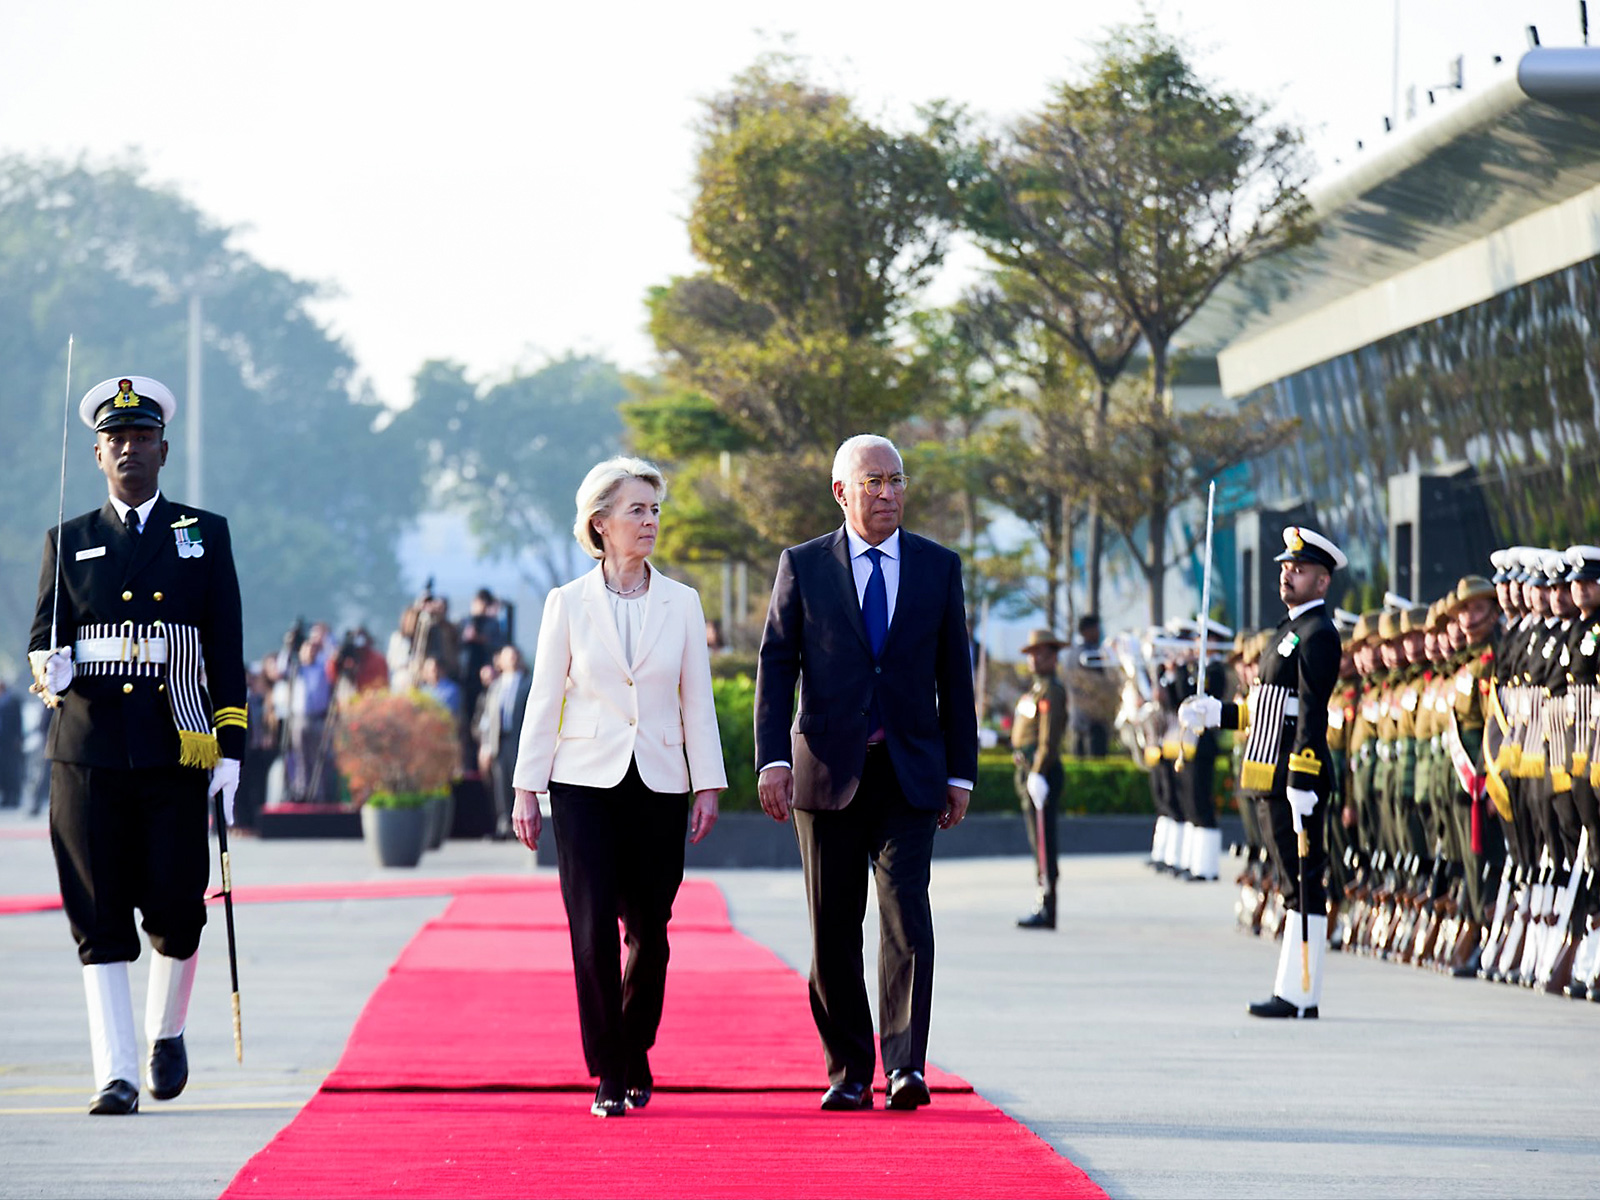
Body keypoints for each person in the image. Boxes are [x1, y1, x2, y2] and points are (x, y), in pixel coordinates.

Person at [26, 375, 245, 1114]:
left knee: (178, 907)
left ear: (163, 449)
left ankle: (165, 1032)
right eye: (115, 439)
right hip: (87, 749)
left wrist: (231, 750)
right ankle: (115, 1072)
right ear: (97, 455)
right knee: (98, 912)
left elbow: (225, 647)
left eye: (142, 437)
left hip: (175, 745)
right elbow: (42, 638)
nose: (129, 448)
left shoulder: (201, 534)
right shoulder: (69, 539)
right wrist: (49, 667)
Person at [754, 434, 978, 1112]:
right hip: (826, 773)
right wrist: (772, 759)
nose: (887, 493)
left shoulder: (938, 567)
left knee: (907, 916)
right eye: (873, 481)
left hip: (910, 773)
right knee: (833, 925)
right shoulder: (803, 565)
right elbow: (776, 665)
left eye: (896, 480)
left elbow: (956, 676)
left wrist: (961, 773)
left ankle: (906, 1066)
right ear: (841, 492)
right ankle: (849, 1070)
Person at [511, 456, 725, 1119]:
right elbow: (544, 697)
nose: (650, 521)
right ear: (600, 522)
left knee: (651, 931)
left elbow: (697, 700)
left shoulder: (682, 602)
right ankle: (610, 1068)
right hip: (583, 784)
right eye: (637, 510)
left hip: (660, 783)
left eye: (655, 510)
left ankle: (635, 1045)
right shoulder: (566, 603)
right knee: (592, 928)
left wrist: (708, 784)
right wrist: (526, 788)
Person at [1183, 525, 1344, 1019]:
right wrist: (1218, 714)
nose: (1287, 575)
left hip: (1292, 777)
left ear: (1322, 581)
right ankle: (1291, 988)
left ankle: (1302, 992)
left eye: (1300, 569)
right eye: (1286, 568)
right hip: (1268, 773)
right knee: (1291, 879)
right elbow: (1269, 709)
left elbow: (1311, 713)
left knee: (1303, 880)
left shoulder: (1318, 635)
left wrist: (1303, 777)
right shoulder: (1288, 631)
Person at [1012, 629, 1067, 929]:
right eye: (1031, 654)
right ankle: (1041, 899)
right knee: (1037, 842)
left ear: (1053, 657)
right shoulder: (1036, 689)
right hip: (1028, 769)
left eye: (1040, 653)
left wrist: (1038, 771)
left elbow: (1048, 738)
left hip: (1040, 773)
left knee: (1044, 843)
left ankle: (1048, 905)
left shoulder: (1051, 691)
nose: (1033, 659)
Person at [478, 643, 531, 840]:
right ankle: (504, 824)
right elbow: (487, 718)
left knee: (518, 781)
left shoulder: (527, 683)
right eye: (507, 656)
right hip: (500, 741)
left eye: (514, 655)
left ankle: (522, 827)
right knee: (500, 785)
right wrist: (485, 746)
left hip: (519, 741)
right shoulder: (496, 686)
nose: (512, 659)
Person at [1064, 615, 1120, 757]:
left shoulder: (1071, 653)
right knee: (1096, 761)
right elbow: (1101, 684)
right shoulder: (1091, 653)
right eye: (1096, 629)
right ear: (1087, 631)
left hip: (1076, 717)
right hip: (1094, 717)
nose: (1099, 633)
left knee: (1078, 762)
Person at [0, 677, 23, 810]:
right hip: (1, 741)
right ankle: (5, 797)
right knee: (3, 771)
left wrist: (19, 738)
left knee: (12, 770)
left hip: (11, 742)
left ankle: (14, 797)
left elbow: (19, 722)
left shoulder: (13, 701)